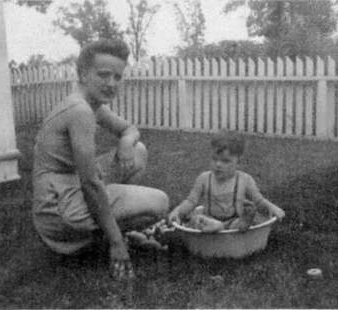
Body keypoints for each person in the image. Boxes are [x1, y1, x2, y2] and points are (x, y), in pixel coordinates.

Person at [32, 39, 169, 280]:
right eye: (104, 75)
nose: (111, 83)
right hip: (60, 209)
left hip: (68, 187)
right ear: (83, 74)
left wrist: (126, 143)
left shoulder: (92, 104)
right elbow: (91, 184)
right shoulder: (80, 110)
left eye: (118, 77)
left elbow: (130, 129)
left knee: (138, 151)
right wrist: (117, 244)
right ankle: (113, 239)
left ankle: (109, 232)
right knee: (160, 202)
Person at [168, 131, 285, 233]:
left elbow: (259, 201)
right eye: (214, 159)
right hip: (209, 221)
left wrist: (272, 208)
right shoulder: (204, 178)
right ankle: (217, 226)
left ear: (239, 162)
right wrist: (177, 211)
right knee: (195, 219)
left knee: (240, 223)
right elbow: (191, 201)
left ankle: (234, 223)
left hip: (233, 222)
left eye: (225, 161)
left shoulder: (245, 180)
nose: (218, 165)